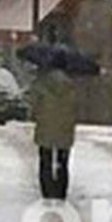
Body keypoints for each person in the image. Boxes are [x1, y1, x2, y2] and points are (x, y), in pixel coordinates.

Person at [30, 56, 78, 200]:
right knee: (63, 162)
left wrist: (38, 115)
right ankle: (60, 190)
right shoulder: (71, 86)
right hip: (64, 128)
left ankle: (47, 189)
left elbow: (35, 105)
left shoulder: (42, 84)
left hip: (46, 126)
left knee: (45, 160)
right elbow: (74, 108)